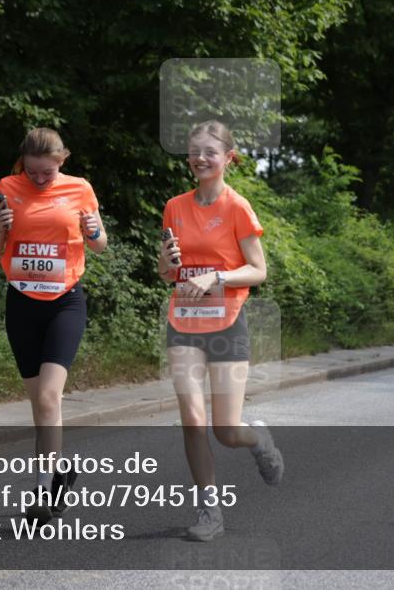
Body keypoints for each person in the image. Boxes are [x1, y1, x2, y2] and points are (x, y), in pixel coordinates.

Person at [158, 120, 283, 542]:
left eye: (210, 152)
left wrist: (217, 277)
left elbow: (259, 269)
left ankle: (259, 440)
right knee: (193, 420)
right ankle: (210, 512)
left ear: (228, 157)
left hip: (228, 322)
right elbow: (166, 273)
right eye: (194, 151)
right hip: (183, 322)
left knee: (226, 431)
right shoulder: (174, 206)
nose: (200, 159)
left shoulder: (237, 206)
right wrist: (167, 262)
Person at [0, 127, 107, 522]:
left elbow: (100, 242)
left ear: (62, 161)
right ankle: (59, 472)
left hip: (65, 302)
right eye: (33, 172)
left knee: (50, 398)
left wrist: (93, 232)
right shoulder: (7, 186)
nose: (39, 180)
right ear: (24, 163)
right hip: (21, 302)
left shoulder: (80, 189)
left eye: (47, 173)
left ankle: (40, 491)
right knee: (39, 403)